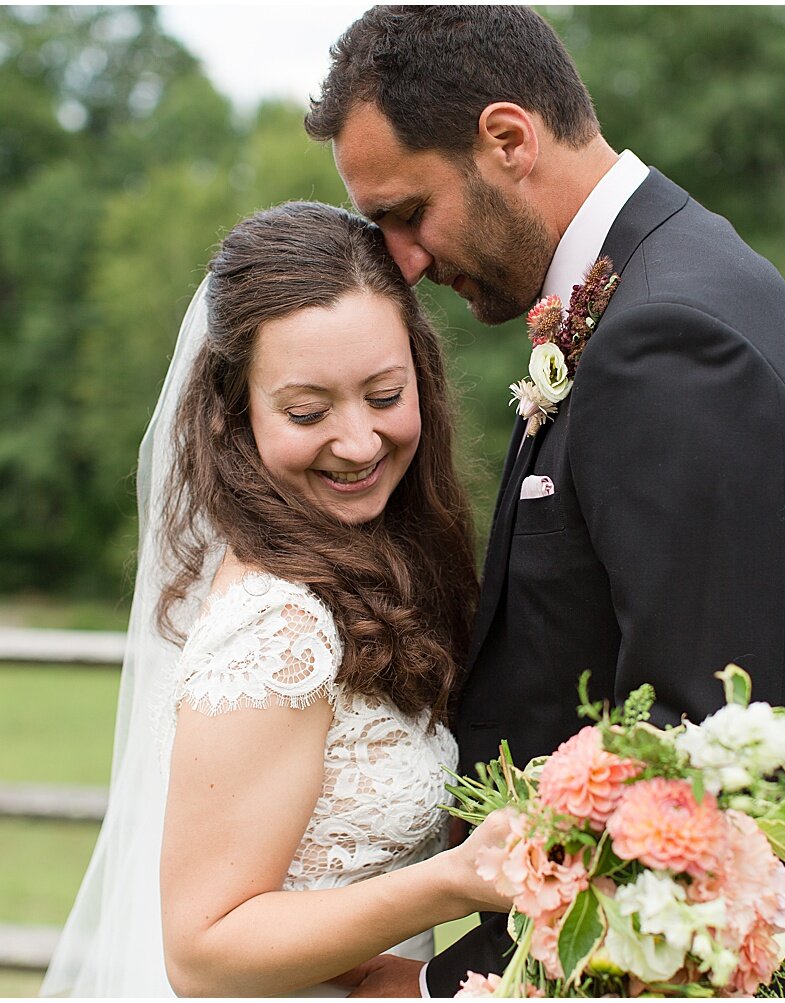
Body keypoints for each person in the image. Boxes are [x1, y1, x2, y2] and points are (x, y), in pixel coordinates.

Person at [306, 6, 785, 997]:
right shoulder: (649, 291)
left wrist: (441, 987)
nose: (406, 262)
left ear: (507, 139)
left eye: (407, 212)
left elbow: (692, 786)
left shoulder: (674, 338)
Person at [40, 201, 511, 998]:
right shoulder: (278, 623)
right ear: (234, 412)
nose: (359, 441)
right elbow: (204, 950)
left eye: (386, 394)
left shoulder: (372, 566)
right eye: (307, 411)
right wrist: (456, 881)